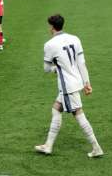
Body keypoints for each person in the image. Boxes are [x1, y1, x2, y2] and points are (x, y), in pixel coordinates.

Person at [35, 14, 103, 158]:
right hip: (76, 81)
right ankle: (48, 145)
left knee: (78, 114)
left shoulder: (50, 45)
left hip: (67, 86)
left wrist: (55, 68)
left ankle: (96, 147)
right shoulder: (75, 39)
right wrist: (87, 83)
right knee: (56, 109)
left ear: (52, 27)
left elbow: (47, 69)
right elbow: (81, 63)